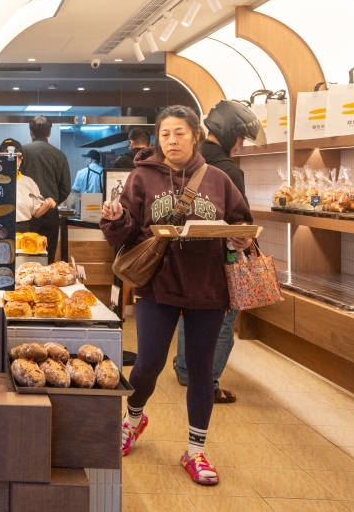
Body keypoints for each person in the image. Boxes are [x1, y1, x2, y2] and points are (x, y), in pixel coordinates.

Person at [100, 104, 252, 486]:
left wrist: (238, 237)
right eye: (165, 134)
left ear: (195, 136)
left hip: (208, 287)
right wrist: (115, 219)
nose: (172, 141)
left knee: (201, 370)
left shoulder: (218, 178)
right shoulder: (142, 178)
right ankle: (133, 418)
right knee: (148, 362)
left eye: (180, 133)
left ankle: (196, 450)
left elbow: (240, 223)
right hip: (157, 284)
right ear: (157, 138)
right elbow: (125, 235)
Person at [174, 100, 264, 404]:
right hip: (220, 257)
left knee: (190, 312)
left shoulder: (186, 161)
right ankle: (208, 381)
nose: (239, 146)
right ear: (227, 133)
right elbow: (240, 224)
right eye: (240, 138)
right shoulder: (228, 171)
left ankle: (185, 369)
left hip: (184, 256)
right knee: (224, 316)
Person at [19, 116, 70, 261]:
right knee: (47, 257)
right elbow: (65, 188)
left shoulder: (21, 153)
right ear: (49, 133)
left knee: (23, 258)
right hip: (50, 215)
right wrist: (50, 203)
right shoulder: (59, 155)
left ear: (31, 132)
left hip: (26, 215)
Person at [0, 138, 56, 229]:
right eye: (4, 158)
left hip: (23, 229)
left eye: (14, 158)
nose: (9, 162)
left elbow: (36, 213)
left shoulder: (29, 182)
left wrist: (47, 204)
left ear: (21, 159)